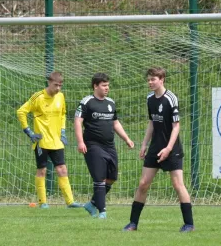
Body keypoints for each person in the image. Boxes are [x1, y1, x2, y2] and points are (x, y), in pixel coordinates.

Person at [123, 67, 194, 232]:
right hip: (155, 148)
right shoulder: (149, 98)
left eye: (153, 79)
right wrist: (144, 144)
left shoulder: (171, 98)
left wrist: (169, 148)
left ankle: (189, 224)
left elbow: (176, 126)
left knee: (178, 184)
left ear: (162, 79)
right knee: (143, 184)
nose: (150, 82)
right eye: (148, 79)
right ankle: (133, 223)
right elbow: (151, 123)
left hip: (172, 148)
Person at [17, 71, 82, 208]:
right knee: (42, 170)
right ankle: (43, 202)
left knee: (62, 170)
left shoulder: (61, 97)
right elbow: (21, 111)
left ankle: (70, 202)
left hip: (57, 141)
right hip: (41, 141)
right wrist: (28, 131)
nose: (58, 88)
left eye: (60, 85)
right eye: (55, 85)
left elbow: (63, 114)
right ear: (49, 83)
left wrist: (63, 131)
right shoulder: (38, 97)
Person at [75, 73, 134, 219]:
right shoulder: (87, 101)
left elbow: (115, 123)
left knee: (112, 177)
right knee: (99, 178)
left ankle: (92, 203)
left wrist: (127, 138)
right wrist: (80, 141)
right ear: (95, 86)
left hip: (109, 146)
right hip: (92, 145)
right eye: (104, 85)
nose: (107, 88)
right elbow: (77, 121)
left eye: (108, 85)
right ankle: (102, 212)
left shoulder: (110, 103)